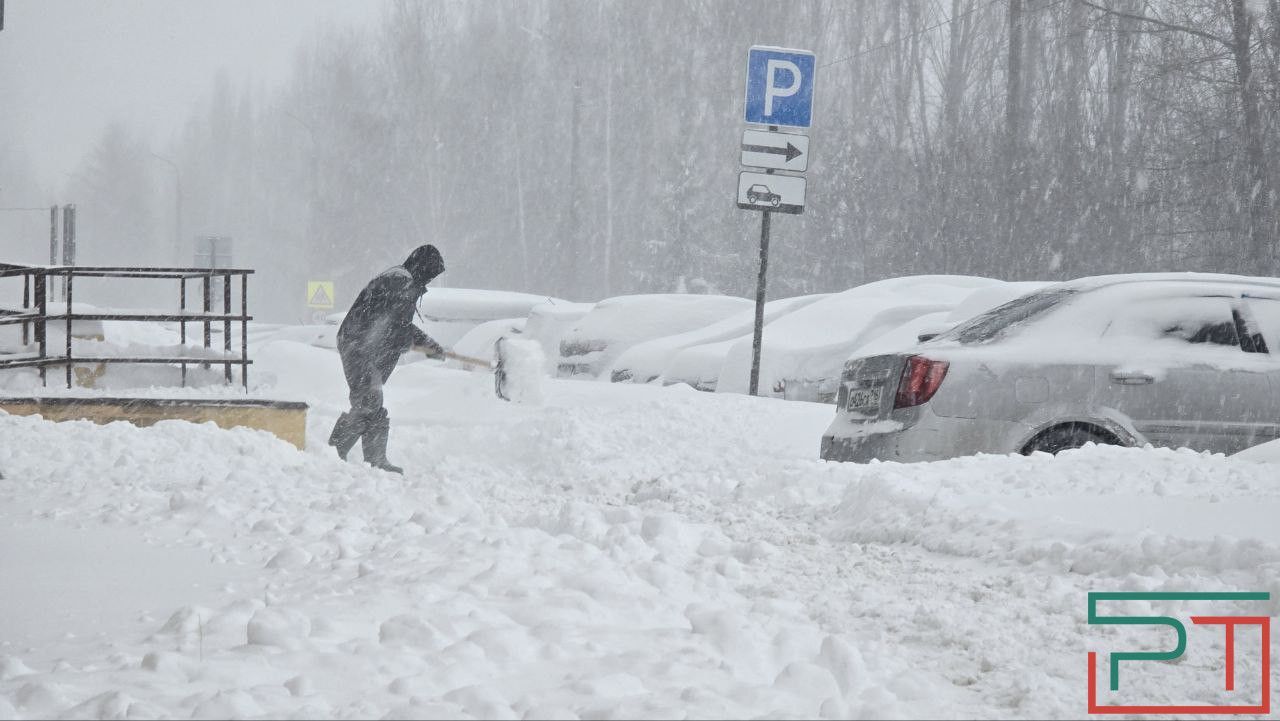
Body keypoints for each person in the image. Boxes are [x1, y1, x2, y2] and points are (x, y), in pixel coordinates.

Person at [328, 244, 446, 473]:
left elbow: (396, 325)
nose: (429, 281)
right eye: (430, 274)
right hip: (359, 345)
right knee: (369, 401)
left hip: (365, 346)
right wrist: (428, 345)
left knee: (371, 402)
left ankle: (373, 459)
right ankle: (334, 454)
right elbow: (396, 325)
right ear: (422, 267)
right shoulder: (399, 282)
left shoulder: (401, 280)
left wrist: (425, 344)